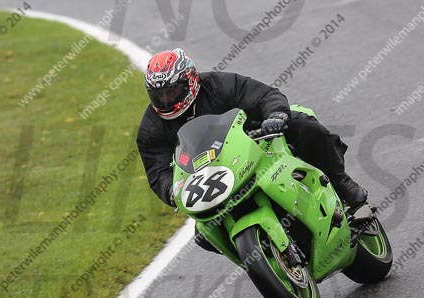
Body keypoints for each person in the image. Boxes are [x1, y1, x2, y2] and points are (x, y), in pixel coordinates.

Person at [136, 48, 369, 253]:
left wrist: (275, 115)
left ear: (190, 81)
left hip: (254, 141)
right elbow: (157, 171)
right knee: (203, 235)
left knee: (305, 126)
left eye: (172, 92)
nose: (166, 101)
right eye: (159, 95)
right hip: (209, 175)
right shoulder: (151, 126)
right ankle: (259, 253)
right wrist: (171, 190)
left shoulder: (218, 85)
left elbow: (263, 95)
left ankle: (343, 186)